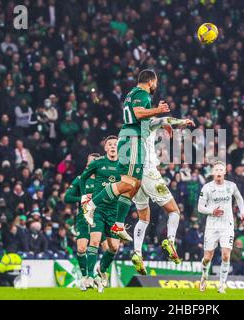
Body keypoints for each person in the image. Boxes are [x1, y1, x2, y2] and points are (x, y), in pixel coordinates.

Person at [83, 70, 170, 241]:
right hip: (132, 139)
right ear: (151, 81)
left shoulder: (134, 93)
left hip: (135, 140)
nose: (156, 86)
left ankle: (118, 224)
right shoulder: (141, 93)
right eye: (156, 82)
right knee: (128, 183)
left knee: (135, 184)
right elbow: (138, 114)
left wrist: (162, 122)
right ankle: (91, 205)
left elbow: (142, 118)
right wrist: (158, 110)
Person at [131, 116, 195, 274]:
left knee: (143, 218)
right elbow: (163, 119)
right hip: (149, 172)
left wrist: (164, 125)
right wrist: (181, 122)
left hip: (134, 174)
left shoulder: (131, 128)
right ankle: (170, 241)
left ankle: (137, 253)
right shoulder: (148, 122)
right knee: (174, 211)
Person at [78, 136, 121, 293]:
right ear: (105, 148)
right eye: (109, 144)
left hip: (114, 211)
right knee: (94, 242)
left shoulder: (123, 165)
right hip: (98, 209)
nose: (112, 146)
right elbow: (82, 179)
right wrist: (85, 198)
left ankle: (101, 270)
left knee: (114, 247)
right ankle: (89, 277)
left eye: (115, 144)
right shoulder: (98, 163)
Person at [197, 161, 244, 294]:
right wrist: (212, 211)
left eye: (221, 170)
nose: (218, 172)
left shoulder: (231, 186)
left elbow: (240, 199)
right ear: (213, 172)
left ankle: (221, 285)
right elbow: (200, 208)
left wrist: (242, 213)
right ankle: (204, 276)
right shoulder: (206, 188)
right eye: (216, 170)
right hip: (212, 226)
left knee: (226, 255)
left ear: (224, 172)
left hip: (227, 225)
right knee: (208, 257)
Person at [64, 152, 108, 291]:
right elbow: (67, 197)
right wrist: (83, 199)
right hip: (84, 218)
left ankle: (99, 274)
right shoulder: (80, 179)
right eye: (90, 162)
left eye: (95, 161)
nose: (92, 164)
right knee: (81, 248)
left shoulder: (104, 180)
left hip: (100, 218)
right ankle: (86, 278)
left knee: (108, 249)